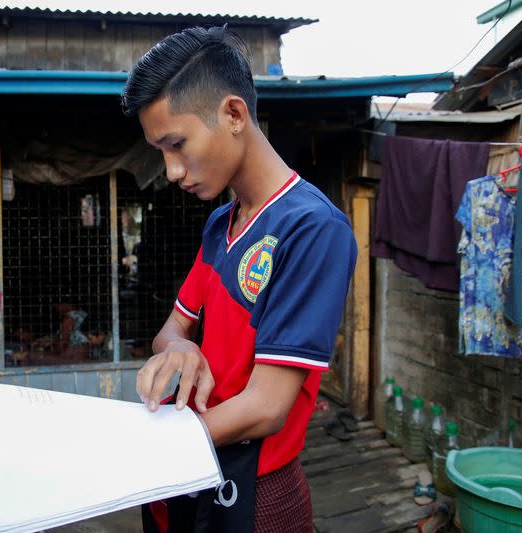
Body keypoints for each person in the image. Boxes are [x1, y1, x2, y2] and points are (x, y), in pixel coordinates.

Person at [121, 25, 358, 532]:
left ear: (233, 114)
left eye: (177, 144)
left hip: (254, 489)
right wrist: (181, 351)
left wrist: (153, 450)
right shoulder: (219, 223)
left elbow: (267, 407)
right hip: (187, 467)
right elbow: (172, 329)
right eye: (160, 151)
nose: (172, 171)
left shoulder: (313, 230)